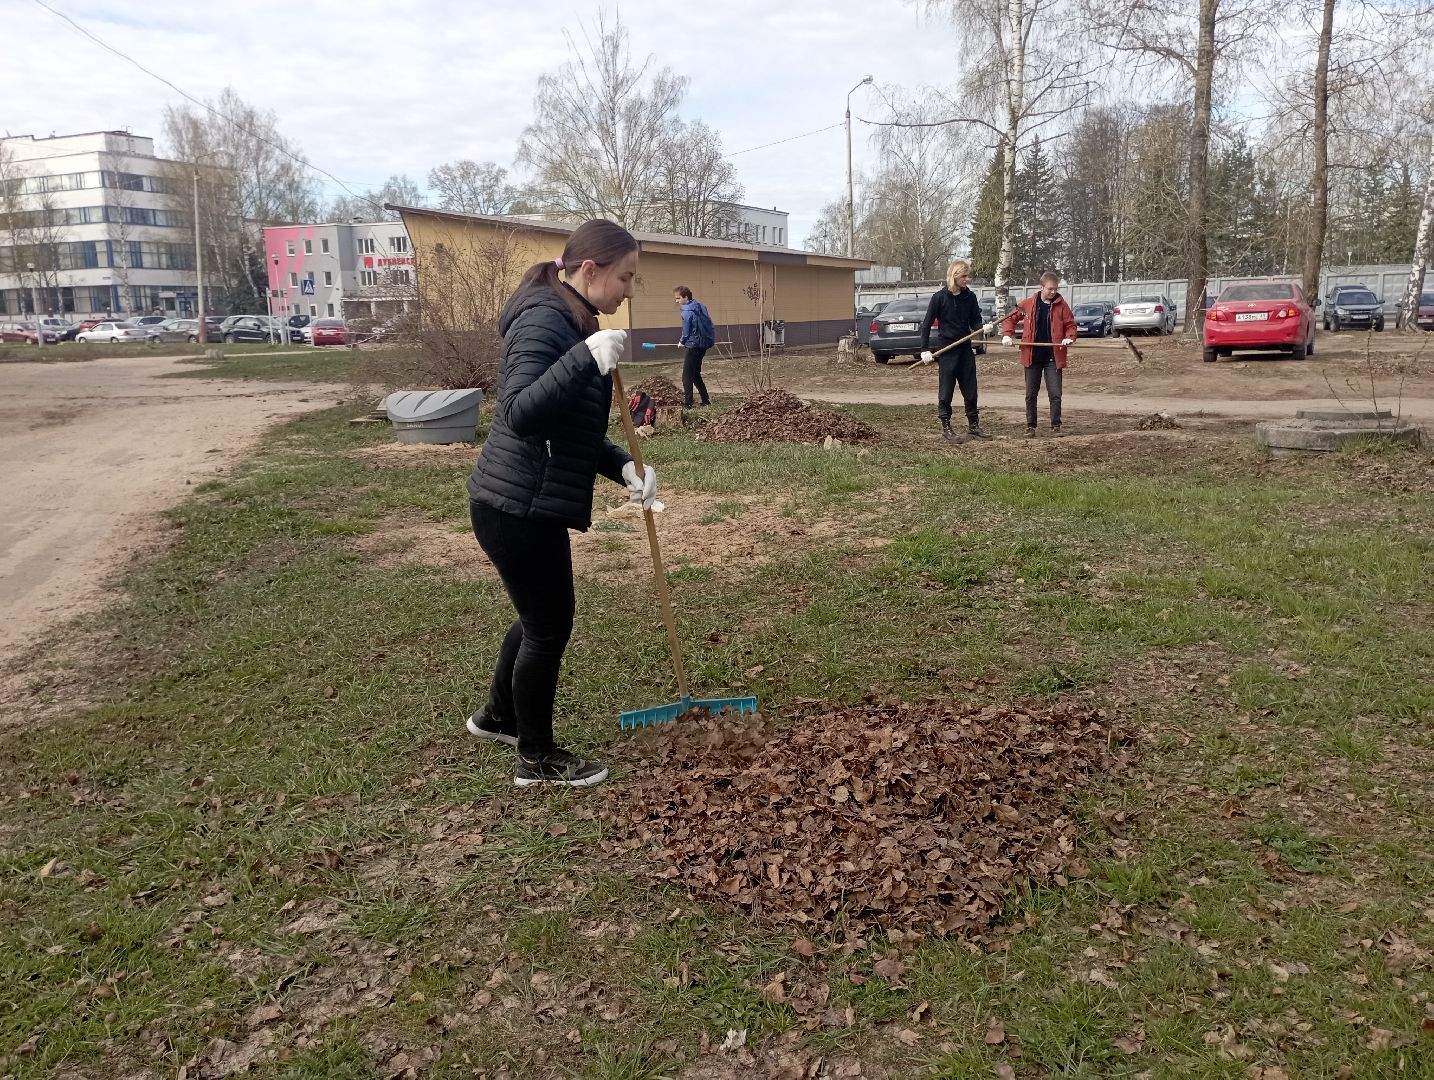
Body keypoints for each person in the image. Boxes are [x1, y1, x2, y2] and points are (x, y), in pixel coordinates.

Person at [466, 219, 656, 788]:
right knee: (549, 626)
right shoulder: (546, 319)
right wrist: (584, 358)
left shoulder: (574, 316)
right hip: (516, 505)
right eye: (625, 277)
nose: (629, 289)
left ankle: (498, 717)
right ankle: (536, 757)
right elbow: (520, 413)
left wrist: (623, 465)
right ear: (590, 270)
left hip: (522, 500)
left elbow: (569, 426)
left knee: (537, 619)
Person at [917, 259, 996, 443]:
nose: (967, 279)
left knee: (970, 389)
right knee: (946, 391)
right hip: (947, 349)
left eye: (967, 275)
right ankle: (946, 427)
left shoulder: (970, 297)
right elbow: (926, 325)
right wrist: (924, 350)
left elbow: (975, 320)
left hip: (965, 349)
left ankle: (973, 425)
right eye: (964, 276)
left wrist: (983, 328)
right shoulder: (939, 298)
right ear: (955, 276)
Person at [1000, 271, 1078, 437]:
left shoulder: (1061, 305)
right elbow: (1010, 318)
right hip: (1032, 356)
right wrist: (1007, 334)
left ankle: (1056, 426)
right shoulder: (1029, 304)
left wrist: (1069, 338)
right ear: (1041, 287)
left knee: (1055, 394)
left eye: (1055, 289)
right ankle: (1031, 426)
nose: (1053, 292)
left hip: (1053, 357)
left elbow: (1071, 325)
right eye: (1050, 289)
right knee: (1030, 394)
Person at [674, 285, 714, 408]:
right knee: (695, 374)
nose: (677, 301)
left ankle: (688, 403)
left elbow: (686, 331)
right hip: (704, 344)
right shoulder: (702, 307)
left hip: (693, 345)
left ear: (686, 297)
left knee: (686, 375)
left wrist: (682, 341)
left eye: (678, 298)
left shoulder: (686, 312)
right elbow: (710, 323)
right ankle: (705, 400)